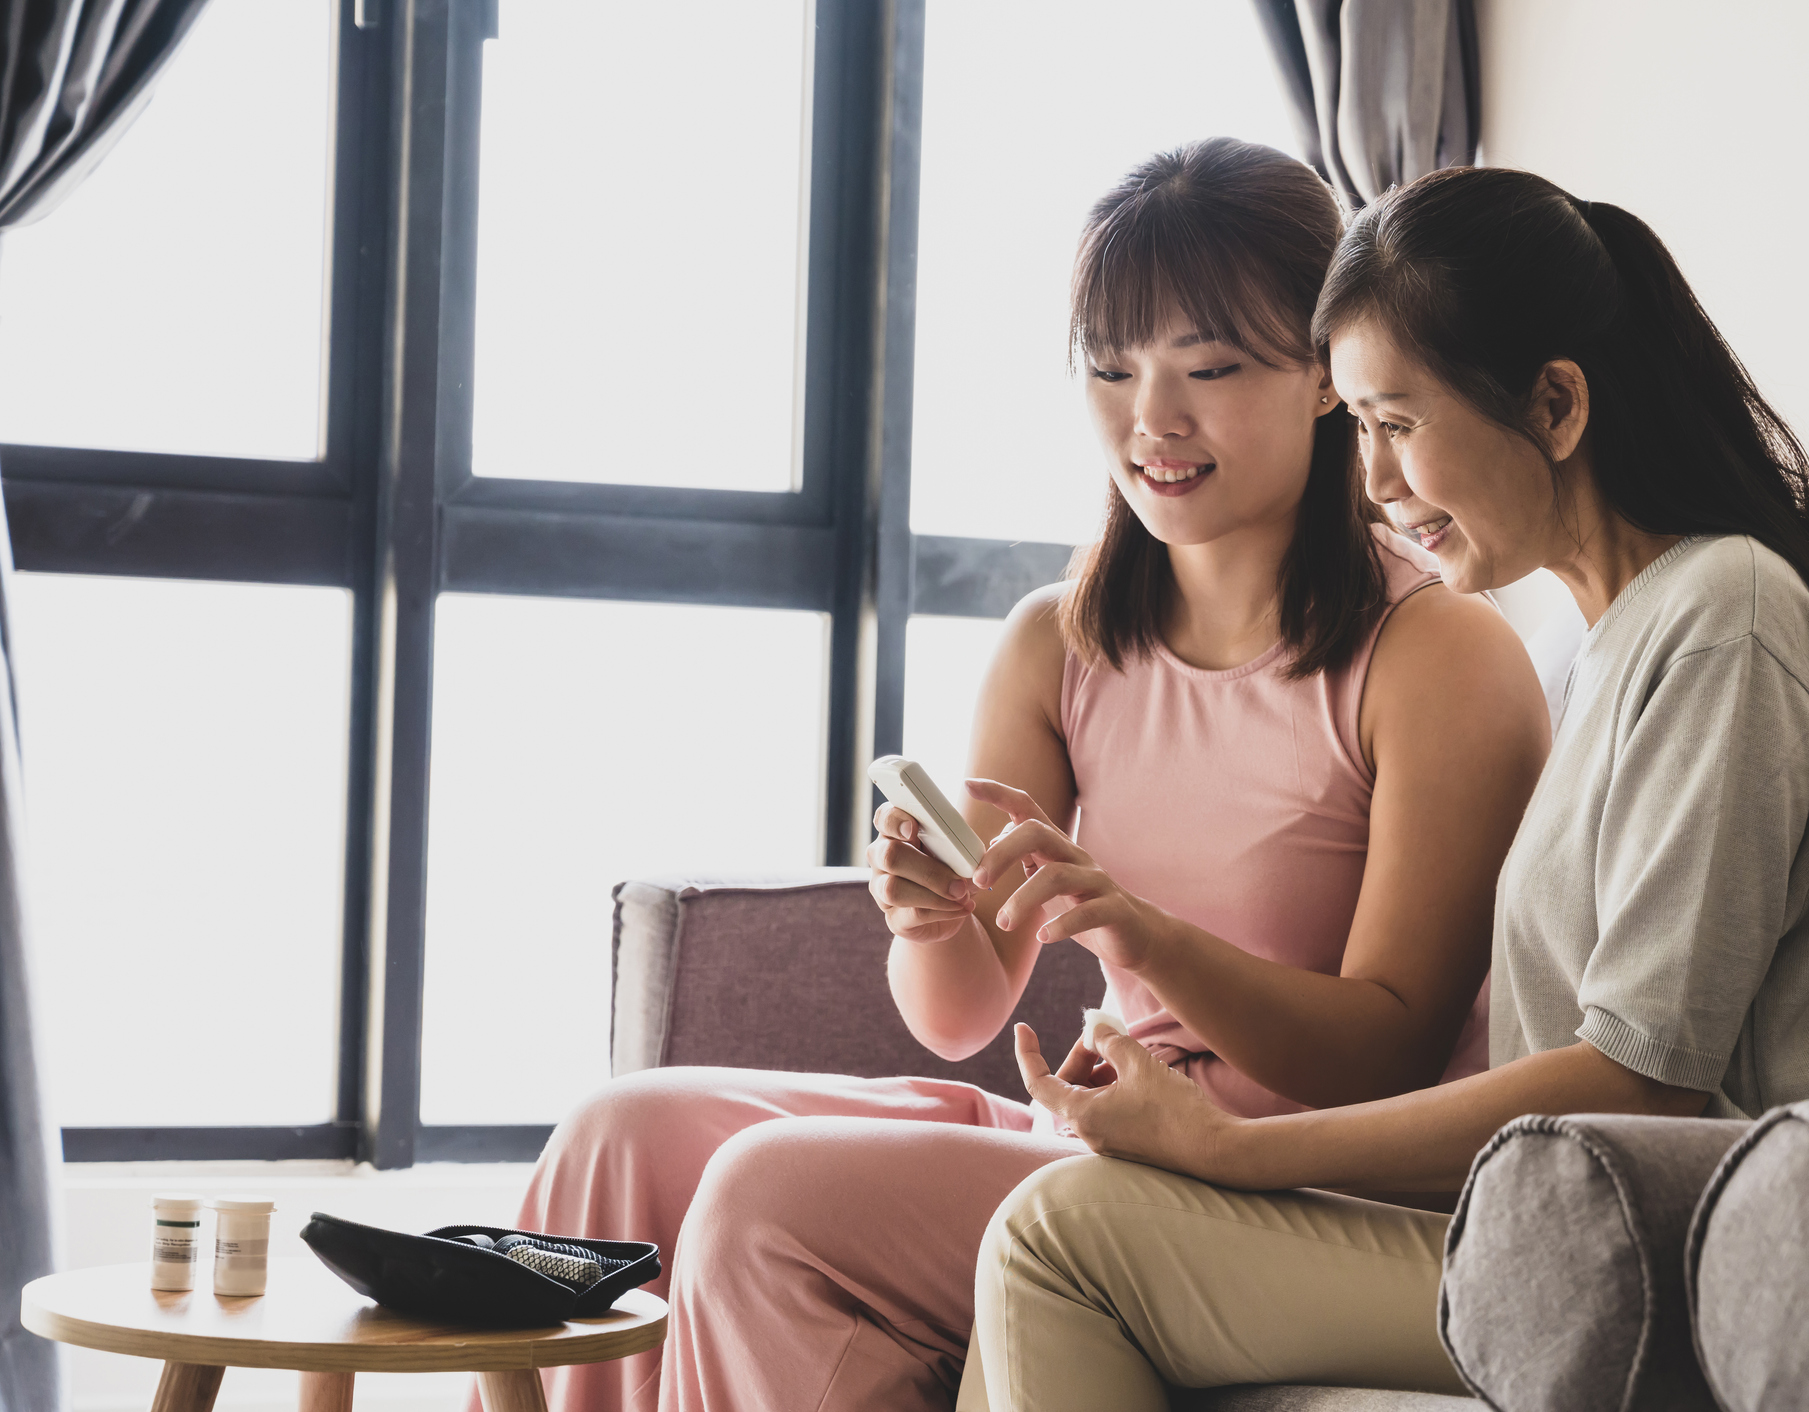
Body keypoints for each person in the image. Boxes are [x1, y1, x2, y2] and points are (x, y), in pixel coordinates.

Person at [498, 140, 1549, 1412]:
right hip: (1097, 1131)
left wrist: (1141, 934)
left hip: (1280, 1175)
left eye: (1208, 369)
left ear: (1328, 376)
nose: (1150, 421)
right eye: (1110, 369)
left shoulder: (1435, 652)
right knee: (618, 1135)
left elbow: (1383, 1051)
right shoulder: (1056, 640)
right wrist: (930, 914)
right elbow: (957, 1017)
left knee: (769, 1194)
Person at [963, 165, 1809, 1409]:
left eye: (1398, 422)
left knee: (1061, 1234)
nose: (1371, 480)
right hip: (1584, 1225)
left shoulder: (1723, 617)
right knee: (1053, 1235)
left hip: (1715, 1257)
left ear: (1556, 403)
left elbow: (1643, 1080)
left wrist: (1237, 1150)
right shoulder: (1618, 641)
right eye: (1356, 427)